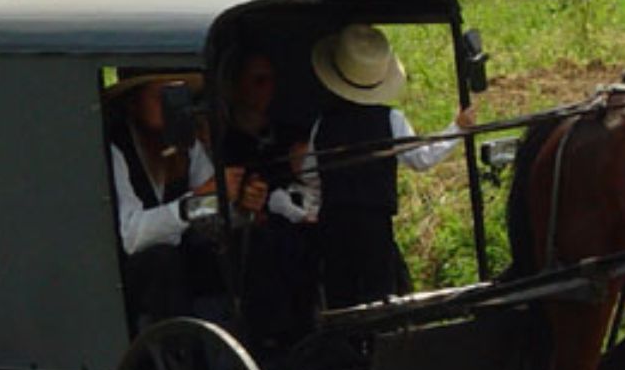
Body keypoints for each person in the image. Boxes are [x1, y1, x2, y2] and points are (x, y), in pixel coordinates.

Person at [306, 24, 475, 309]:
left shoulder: (322, 124)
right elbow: (421, 158)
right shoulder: (390, 119)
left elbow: (311, 174)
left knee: (340, 298)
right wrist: (456, 128)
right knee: (378, 296)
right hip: (374, 222)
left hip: (333, 222)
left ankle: (344, 349)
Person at [105, 70, 265, 328]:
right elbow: (131, 236)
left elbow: (207, 208)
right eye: (162, 98)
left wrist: (238, 203)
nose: (173, 109)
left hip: (178, 268)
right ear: (133, 104)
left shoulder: (186, 146)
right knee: (162, 260)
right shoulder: (115, 151)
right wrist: (196, 201)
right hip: (126, 279)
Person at [220, 49, 317, 345]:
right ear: (236, 87)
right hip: (249, 236)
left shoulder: (290, 135)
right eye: (259, 81)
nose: (269, 89)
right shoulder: (224, 144)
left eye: (272, 80)